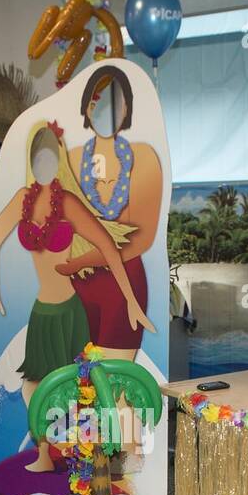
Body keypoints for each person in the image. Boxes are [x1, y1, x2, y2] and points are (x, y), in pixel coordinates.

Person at [0, 120, 152, 473]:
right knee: (33, 388)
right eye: (37, 159)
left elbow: (107, 246)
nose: (43, 166)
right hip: (42, 312)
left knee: (83, 388)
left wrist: (132, 301)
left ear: (58, 160)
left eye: (50, 158)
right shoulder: (22, 201)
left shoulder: (69, 202)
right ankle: (46, 455)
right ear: (31, 162)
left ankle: (94, 457)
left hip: (72, 311)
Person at [59, 66, 164, 363]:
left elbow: (142, 237)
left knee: (115, 387)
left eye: (113, 103)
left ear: (127, 108)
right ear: (86, 108)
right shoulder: (71, 157)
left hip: (123, 284)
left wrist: (82, 261)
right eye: (96, 101)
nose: (103, 111)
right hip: (77, 286)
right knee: (81, 388)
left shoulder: (143, 157)